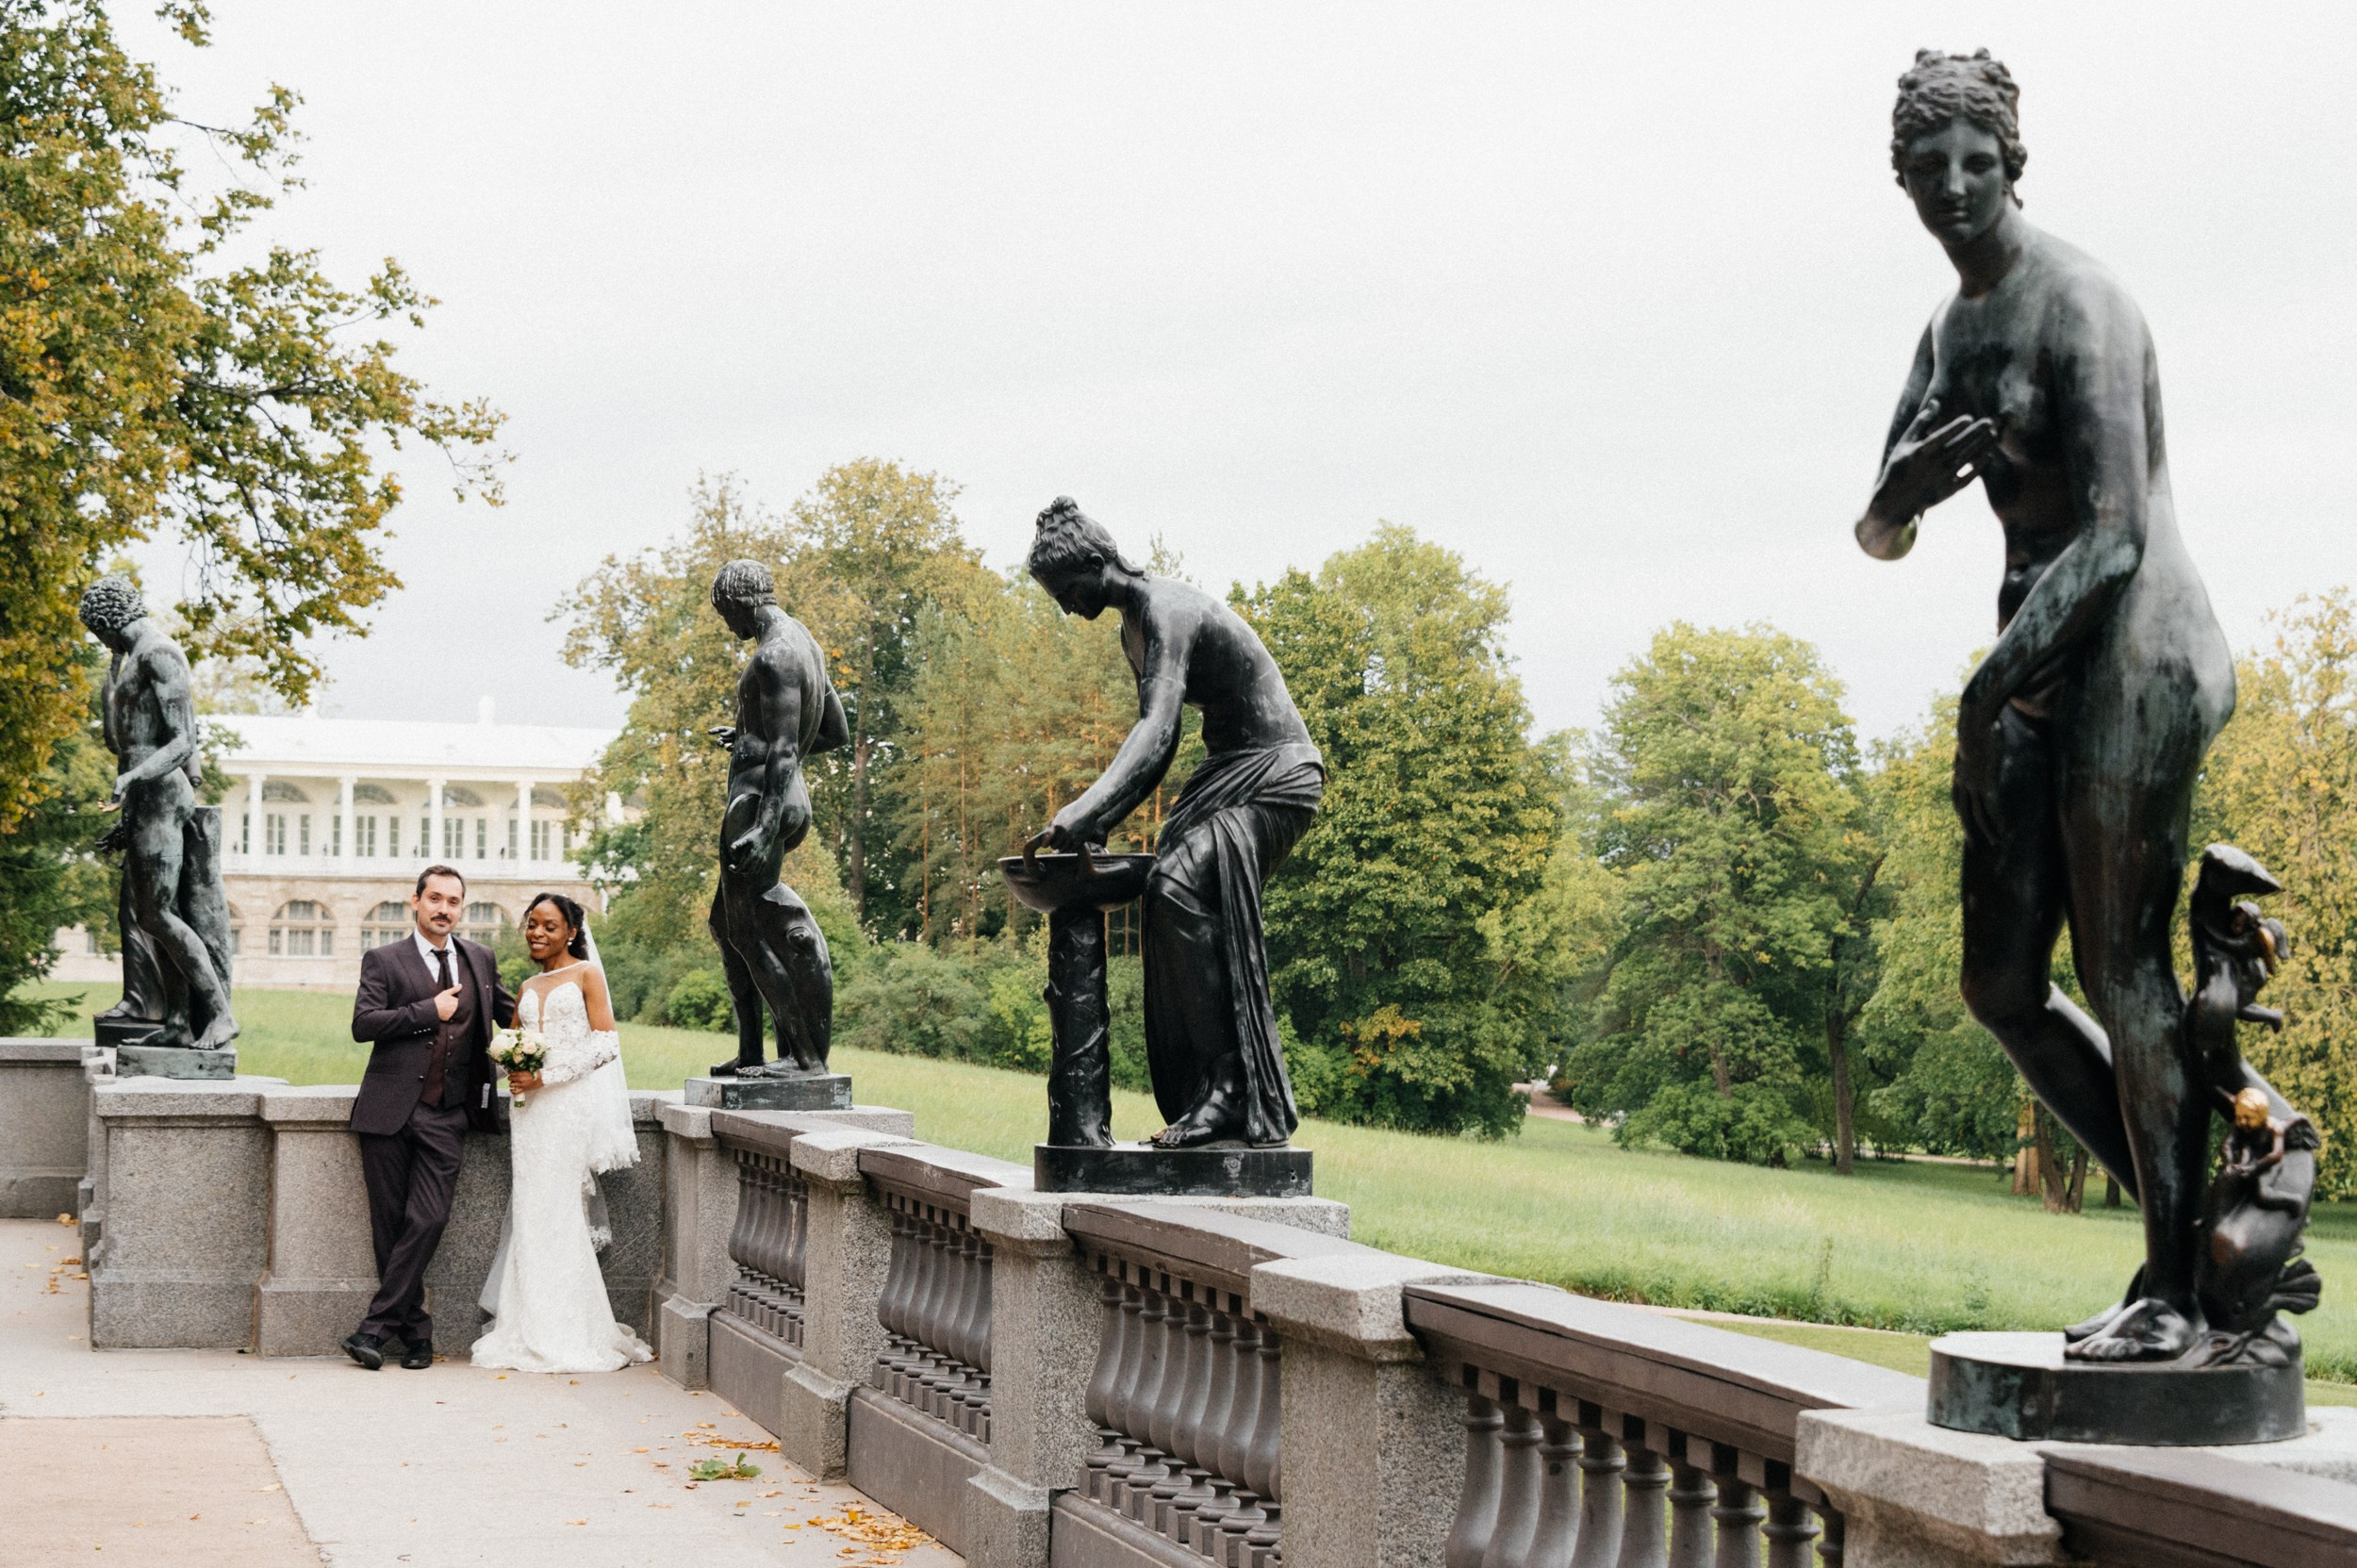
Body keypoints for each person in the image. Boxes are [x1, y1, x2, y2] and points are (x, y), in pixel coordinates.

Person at [1852, 50, 2236, 1362]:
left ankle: (2180, 1291)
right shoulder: (1947, 332)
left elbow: (2121, 535)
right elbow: (1879, 534)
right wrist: (1896, 493)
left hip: (2136, 648)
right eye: (1928, 167)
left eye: (1975, 159)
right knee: (2000, 981)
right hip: (2029, 667)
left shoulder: (2084, 305)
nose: (1953, 186)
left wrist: (1981, 689)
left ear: (2013, 160)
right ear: (1900, 179)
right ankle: (2201, 1222)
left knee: (2122, 970)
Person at [1024, 497, 1323, 1148]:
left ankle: (1229, 1092)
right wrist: (1101, 817)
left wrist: (1084, 809)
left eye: (1069, 589)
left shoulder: (1165, 608)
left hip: (1277, 773)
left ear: (1098, 563)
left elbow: (1159, 732)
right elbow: (1152, 746)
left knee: (1177, 887)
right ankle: (1208, 1091)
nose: (1067, 605)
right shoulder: (1130, 628)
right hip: (1230, 772)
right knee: (1167, 890)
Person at [471, 892, 651, 1374]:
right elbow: (509, 1040)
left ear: (571, 931)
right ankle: (524, 1325)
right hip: (528, 1116)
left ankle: (570, 1329)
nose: (537, 933)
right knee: (531, 1210)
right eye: (532, 924)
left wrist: (545, 1077)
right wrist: (512, 1062)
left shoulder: (587, 975)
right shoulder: (528, 983)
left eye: (549, 926)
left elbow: (607, 1045)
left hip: (566, 1110)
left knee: (560, 1211)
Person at [343, 865, 514, 1370]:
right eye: (434, 898)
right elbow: (363, 1024)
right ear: (414, 902)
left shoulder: (480, 959)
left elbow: (513, 1012)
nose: (444, 909)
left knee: (429, 1218)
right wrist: (427, 1010)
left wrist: (568, 998)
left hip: (449, 1113)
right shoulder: (384, 960)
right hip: (388, 1110)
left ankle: (373, 1330)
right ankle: (416, 1336)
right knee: (390, 1227)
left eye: (453, 901)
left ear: (462, 908)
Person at [77, 573, 237, 1053]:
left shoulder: (160, 652)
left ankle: (221, 1015)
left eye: (97, 630)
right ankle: (178, 1021)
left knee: (161, 914)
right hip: (145, 800)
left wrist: (132, 779)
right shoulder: (130, 659)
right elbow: (119, 738)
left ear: (107, 619)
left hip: (163, 794)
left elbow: (183, 739)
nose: (98, 638)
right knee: (151, 916)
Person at [705, 558, 849, 1078]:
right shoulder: (804, 643)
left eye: (725, 613)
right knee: (724, 925)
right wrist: (745, 734)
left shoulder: (774, 656)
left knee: (747, 933)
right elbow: (834, 732)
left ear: (739, 601)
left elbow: (786, 750)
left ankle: (805, 1061)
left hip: (758, 803)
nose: (729, 626)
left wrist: (765, 826)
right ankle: (751, 1053)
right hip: (786, 799)